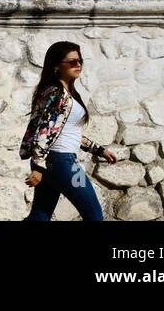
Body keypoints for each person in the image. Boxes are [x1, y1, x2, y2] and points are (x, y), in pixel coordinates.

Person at [19, 40, 117, 220]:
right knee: (94, 216)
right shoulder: (56, 93)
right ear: (57, 66)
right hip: (62, 161)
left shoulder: (65, 93)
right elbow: (45, 130)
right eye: (72, 62)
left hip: (55, 160)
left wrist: (99, 150)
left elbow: (65, 132)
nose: (78, 65)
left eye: (80, 61)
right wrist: (38, 166)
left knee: (40, 215)